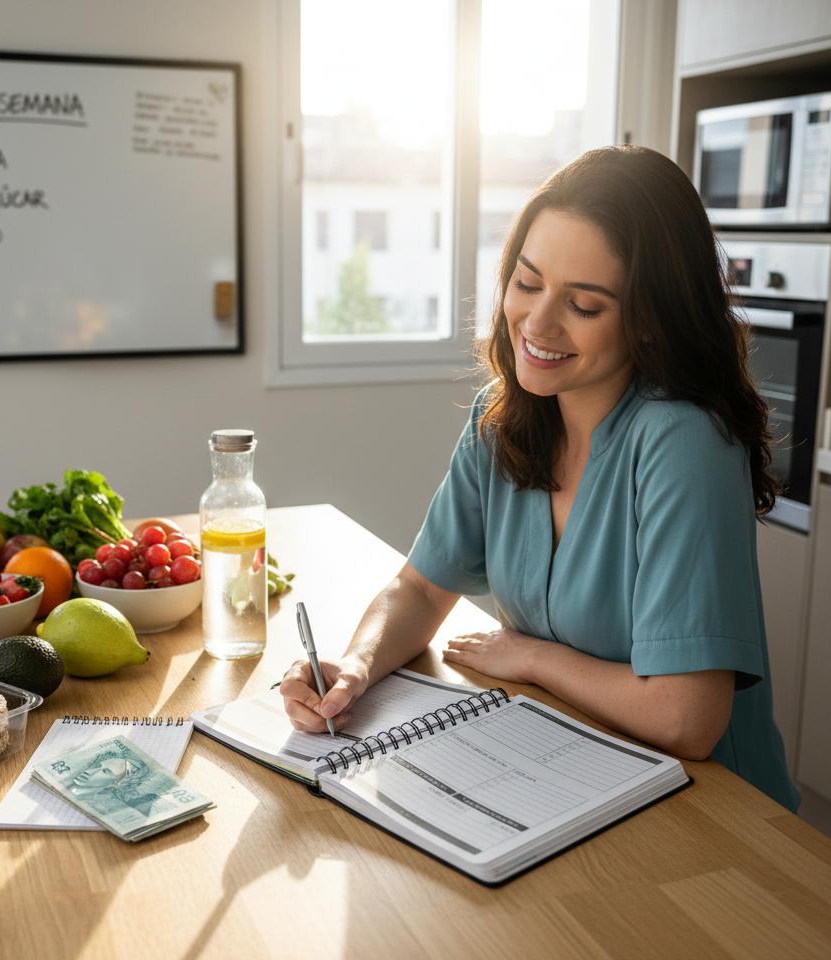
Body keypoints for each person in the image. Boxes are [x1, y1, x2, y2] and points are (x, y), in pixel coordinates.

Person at [281, 144, 800, 811]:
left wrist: (528, 657)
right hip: (566, 771)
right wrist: (352, 668)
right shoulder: (501, 417)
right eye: (527, 284)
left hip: (715, 818)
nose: (537, 323)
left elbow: (685, 719)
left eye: (583, 305)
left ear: (648, 322)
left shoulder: (683, 441)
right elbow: (416, 590)